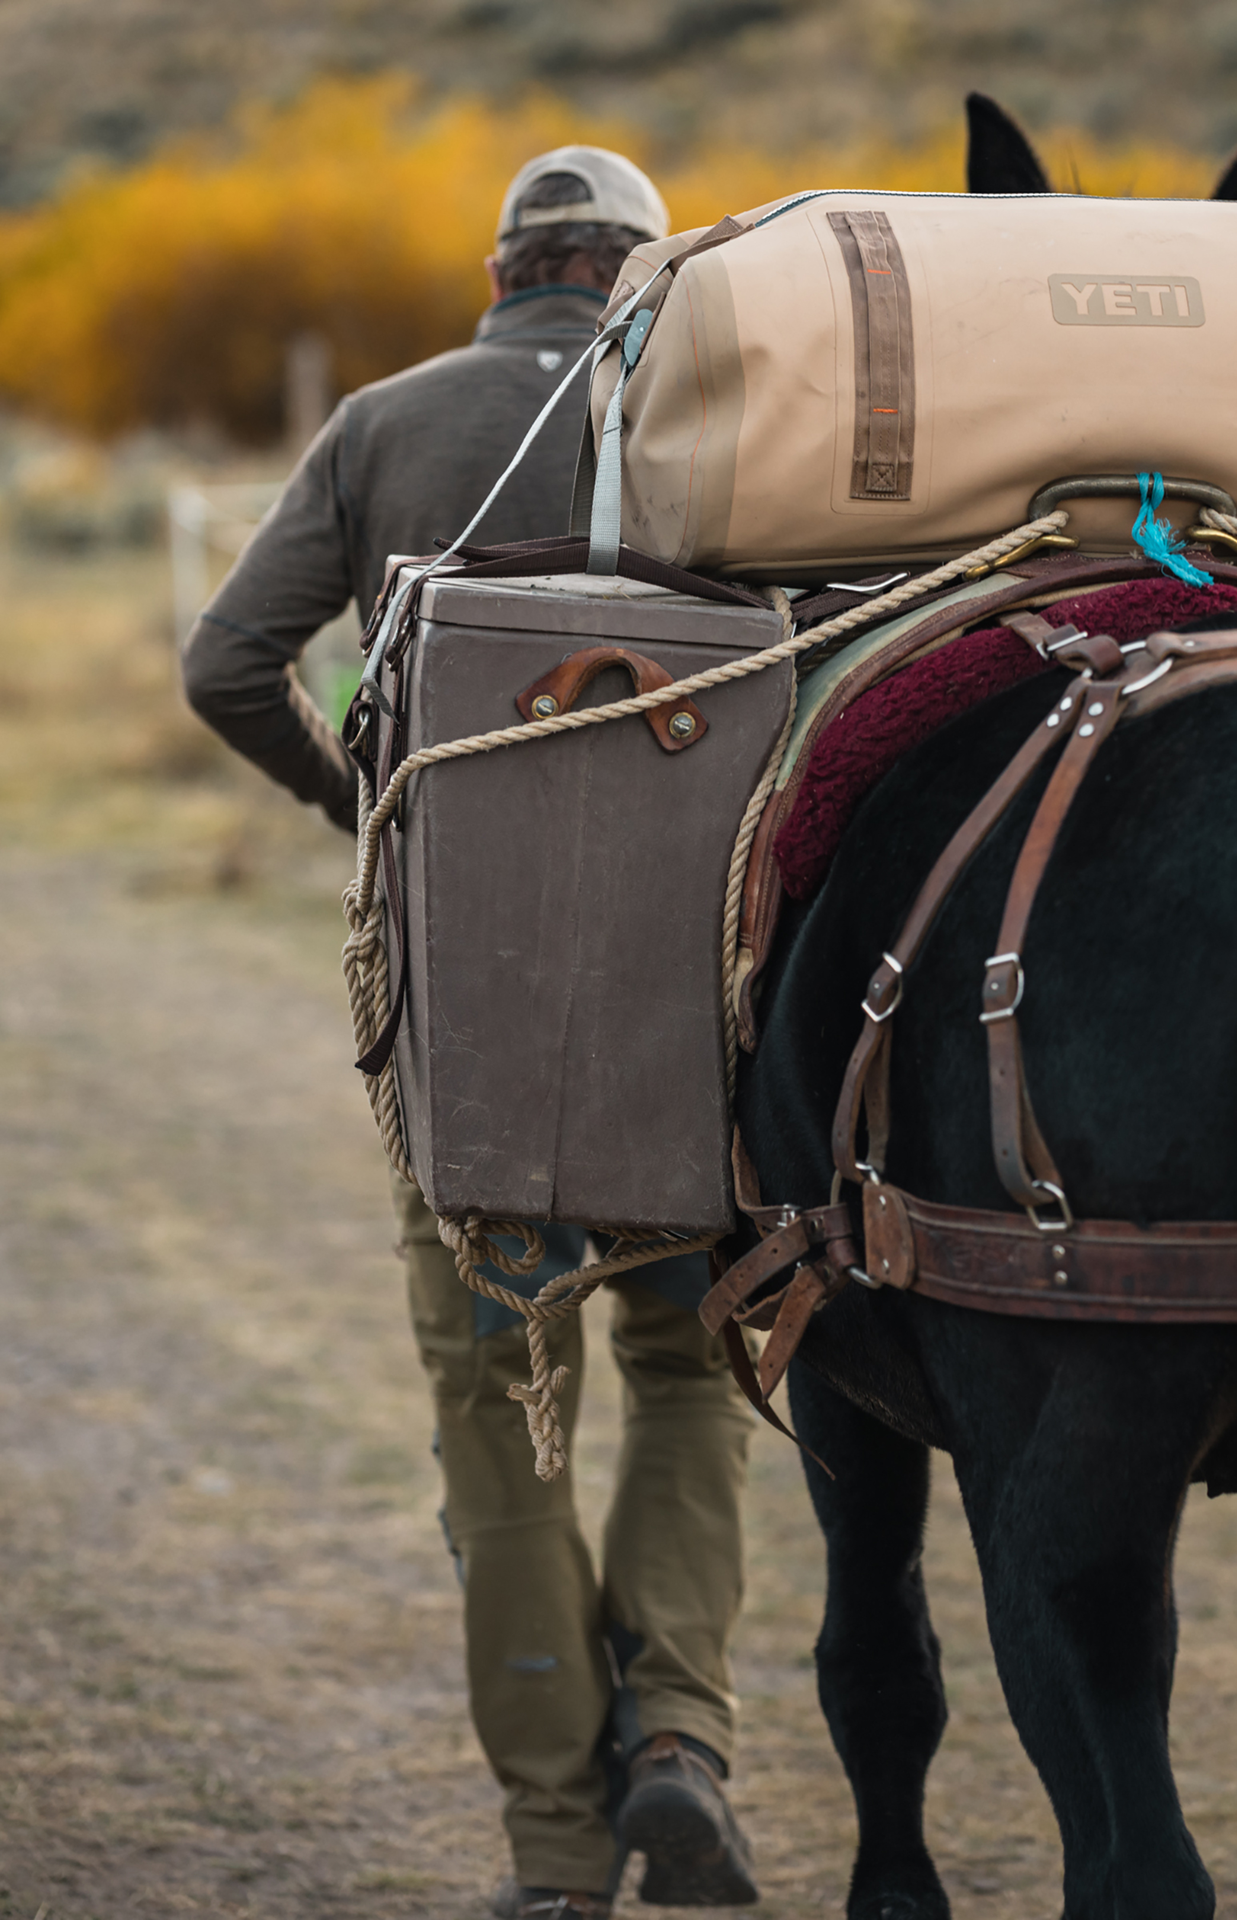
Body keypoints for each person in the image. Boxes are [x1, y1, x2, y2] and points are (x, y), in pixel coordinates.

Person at [180, 148, 760, 1920]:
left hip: (475, 1023)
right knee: (686, 1378)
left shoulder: (384, 424)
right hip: (697, 1020)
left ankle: (557, 1863)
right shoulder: (723, 416)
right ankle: (677, 1738)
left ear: (504, 272)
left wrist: (379, 815)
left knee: (501, 1433)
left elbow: (226, 666)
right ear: (636, 283)